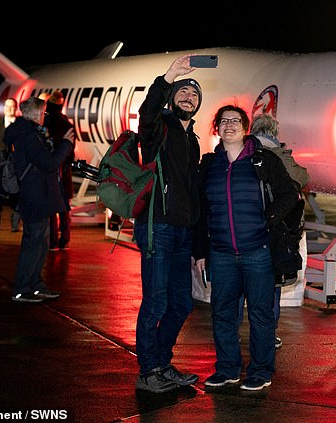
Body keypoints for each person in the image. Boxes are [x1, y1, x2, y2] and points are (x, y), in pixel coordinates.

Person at [194, 105, 299, 391]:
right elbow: (200, 211)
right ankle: (228, 368)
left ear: (245, 127)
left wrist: (269, 219)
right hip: (221, 253)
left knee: (260, 314)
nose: (229, 125)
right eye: (223, 121)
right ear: (217, 128)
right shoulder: (208, 166)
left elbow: (290, 194)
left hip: (257, 252)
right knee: (223, 313)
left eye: (235, 121)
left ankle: (261, 371)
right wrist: (201, 251)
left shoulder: (263, 161)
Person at [133, 55, 203, 393]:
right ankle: (148, 372)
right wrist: (168, 77)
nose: (188, 96)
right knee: (156, 302)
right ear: (172, 97)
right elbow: (146, 114)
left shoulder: (193, 141)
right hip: (157, 227)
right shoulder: (158, 128)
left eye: (194, 94)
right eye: (183, 92)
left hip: (182, 233)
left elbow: (193, 191)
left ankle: (160, 362)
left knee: (181, 304)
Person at [236, 113, 310, 350]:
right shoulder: (277, 154)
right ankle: (268, 334)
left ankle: (232, 332)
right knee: (271, 286)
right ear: (273, 132)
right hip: (273, 229)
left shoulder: (239, 150)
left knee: (238, 287)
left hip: (241, 226)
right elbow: (302, 178)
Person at [7, 97, 74, 303]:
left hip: (40, 195)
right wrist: (66, 145)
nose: (44, 116)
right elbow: (48, 163)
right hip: (35, 196)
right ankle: (23, 287)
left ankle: (34, 284)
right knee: (33, 243)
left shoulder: (30, 134)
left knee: (41, 243)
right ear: (36, 113)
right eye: (43, 113)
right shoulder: (29, 137)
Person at [40, 91, 75, 251]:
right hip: (64, 170)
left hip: (50, 170)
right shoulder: (66, 123)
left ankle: (53, 241)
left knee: (51, 208)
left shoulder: (45, 122)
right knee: (64, 207)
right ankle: (65, 239)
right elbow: (71, 148)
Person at [0, 97, 21, 232]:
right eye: (7, 106)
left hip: (16, 166)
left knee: (16, 195)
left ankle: (15, 225)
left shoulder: (21, 124)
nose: (10, 109)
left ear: (16, 108)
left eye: (12, 106)